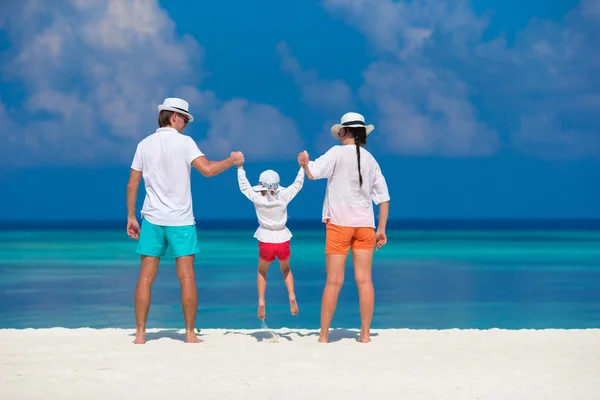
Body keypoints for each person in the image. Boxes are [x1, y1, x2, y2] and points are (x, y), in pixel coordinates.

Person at [126, 97, 244, 344]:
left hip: (152, 219)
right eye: (185, 119)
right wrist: (231, 161)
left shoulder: (144, 144)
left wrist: (131, 217)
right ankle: (190, 334)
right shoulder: (185, 143)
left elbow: (132, 185)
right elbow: (208, 170)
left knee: (146, 277)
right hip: (180, 220)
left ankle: (139, 335)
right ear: (174, 116)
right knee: (187, 277)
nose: (187, 124)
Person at [297, 112, 390, 344]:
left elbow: (312, 173)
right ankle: (365, 336)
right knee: (365, 281)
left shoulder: (336, 153)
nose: (339, 135)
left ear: (346, 132)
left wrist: (304, 163)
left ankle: (324, 336)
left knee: (334, 281)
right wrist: (381, 229)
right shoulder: (371, 159)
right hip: (365, 226)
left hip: (339, 224)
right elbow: (384, 198)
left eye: (340, 131)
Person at [236, 160, 305, 320]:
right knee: (286, 269)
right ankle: (292, 295)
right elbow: (298, 184)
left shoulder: (257, 198)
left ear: (260, 185)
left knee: (262, 271)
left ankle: (261, 301)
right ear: (277, 184)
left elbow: (244, 186)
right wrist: (302, 167)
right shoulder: (284, 197)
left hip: (266, 239)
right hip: (282, 238)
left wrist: (240, 167)